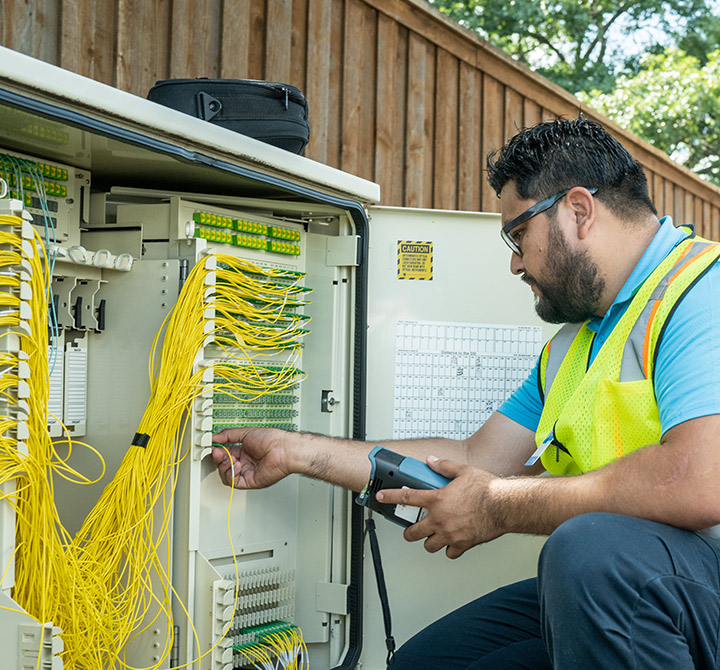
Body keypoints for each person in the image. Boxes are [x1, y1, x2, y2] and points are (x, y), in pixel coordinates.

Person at [211, 117, 720, 669]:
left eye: (518, 233)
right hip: (633, 587)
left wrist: (499, 506)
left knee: (585, 551)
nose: (515, 262)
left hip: (656, 580)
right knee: (428, 663)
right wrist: (297, 451)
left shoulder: (702, 291)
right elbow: (476, 459)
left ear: (578, 210)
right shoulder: (578, 344)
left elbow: (697, 479)